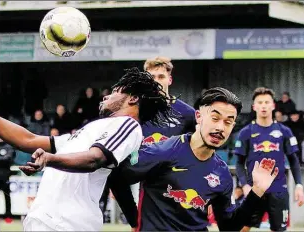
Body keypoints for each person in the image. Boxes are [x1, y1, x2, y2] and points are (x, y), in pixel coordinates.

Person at [0, 68, 177, 231]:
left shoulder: (127, 126)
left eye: (116, 91)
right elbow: (27, 138)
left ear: (133, 98)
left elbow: (94, 159)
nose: (106, 95)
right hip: (46, 221)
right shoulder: (93, 129)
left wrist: (50, 159)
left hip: (68, 224)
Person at [107, 87, 279, 231]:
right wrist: (133, 219)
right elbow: (116, 177)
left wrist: (257, 191)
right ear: (198, 117)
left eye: (228, 122)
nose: (220, 127)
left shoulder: (222, 173)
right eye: (215, 118)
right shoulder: (164, 150)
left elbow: (229, 227)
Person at [106, 56, 196, 226]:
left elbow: (198, 149)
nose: (156, 82)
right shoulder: (136, 111)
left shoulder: (187, 114)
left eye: (161, 77)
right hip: (146, 182)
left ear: (169, 79)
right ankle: (135, 223)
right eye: (151, 78)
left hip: (177, 182)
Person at [235, 87, 304, 232]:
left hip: (278, 190)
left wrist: (299, 185)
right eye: (259, 102)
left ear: (273, 105)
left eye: (267, 102)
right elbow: (239, 163)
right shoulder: (245, 132)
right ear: (254, 107)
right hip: (254, 190)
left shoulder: (284, 131)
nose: (263, 105)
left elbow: (293, 160)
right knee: (242, 228)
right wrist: (245, 186)